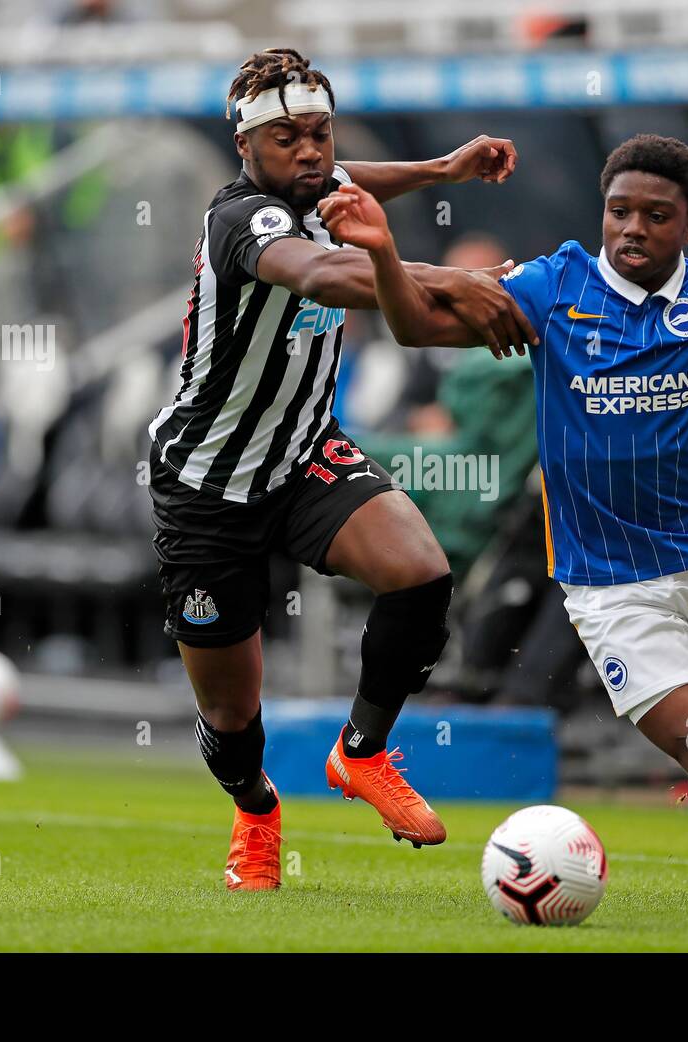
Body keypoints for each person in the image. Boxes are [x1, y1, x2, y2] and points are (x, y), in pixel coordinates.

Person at [320, 133, 688, 908]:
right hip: (608, 586)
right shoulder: (554, 287)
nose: (633, 229)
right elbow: (418, 327)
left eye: (656, 216)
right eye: (619, 211)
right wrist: (384, 251)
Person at [147, 47, 536, 890]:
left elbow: (357, 179)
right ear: (247, 147)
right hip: (209, 483)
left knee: (421, 573)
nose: (312, 152)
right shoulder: (243, 217)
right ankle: (256, 812)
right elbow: (320, 271)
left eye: (321, 134)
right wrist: (444, 275)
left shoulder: (321, 183)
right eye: (288, 137)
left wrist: (443, 167)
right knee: (230, 715)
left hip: (302, 453)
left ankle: (362, 754)